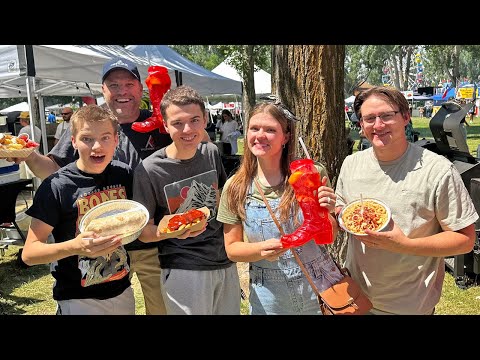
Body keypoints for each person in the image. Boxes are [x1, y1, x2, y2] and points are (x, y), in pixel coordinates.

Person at [4, 58, 173, 315]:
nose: (122, 91)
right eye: (113, 85)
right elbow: (56, 173)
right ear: (102, 89)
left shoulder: (162, 122)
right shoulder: (89, 124)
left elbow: (191, 143)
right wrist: (29, 155)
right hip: (99, 249)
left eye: (129, 84)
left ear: (141, 88)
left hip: (150, 243)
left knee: (161, 309)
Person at [335, 86, 478, 315]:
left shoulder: (438, 170)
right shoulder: (351, 164)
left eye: (387, 115)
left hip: (409, 306)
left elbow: (465, 239)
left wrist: (405, 245)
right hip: (356, 299)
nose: (378, 125)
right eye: (369, 118)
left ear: (405, 117)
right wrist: (330, 210)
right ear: (361, 125)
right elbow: (342, 210)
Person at [216, 100, 342, 315]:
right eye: (254, 128)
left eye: (270, 130)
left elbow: (329, 236)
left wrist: (326, 212)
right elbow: (232, 249)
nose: (260, 135)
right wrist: (260, 250)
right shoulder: (235, 186)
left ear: (286, 137)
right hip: (269, 297)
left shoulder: (312, 174)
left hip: (320, 287)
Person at [134, 85, 241, 315]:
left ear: (204, 120)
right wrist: (167, 231)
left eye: (194, 120)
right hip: (184, 268)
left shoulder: (210, 152)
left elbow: (223, 200)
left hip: (224, 262)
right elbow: (144, 232)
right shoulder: (149, 169)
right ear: (165, 125)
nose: (187, 129)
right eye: (177, 123)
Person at [21, 105, 135, 315]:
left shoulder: (124, 174)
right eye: (87, 139)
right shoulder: (57, 185)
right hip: (78, 299)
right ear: (73, 141)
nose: (97, 146)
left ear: (117, 140)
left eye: (106, 137)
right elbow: (29, 253)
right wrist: (76, 246)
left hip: (122, 289)